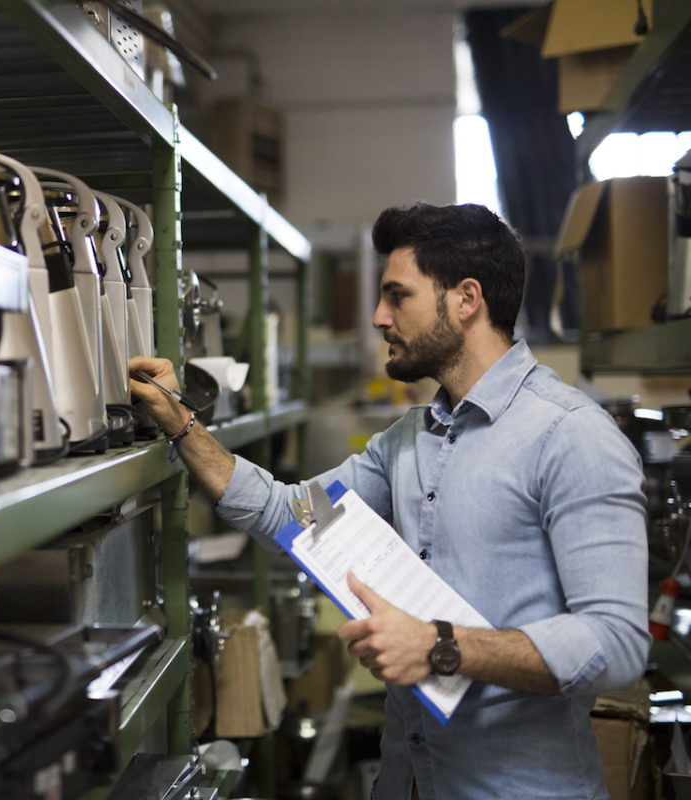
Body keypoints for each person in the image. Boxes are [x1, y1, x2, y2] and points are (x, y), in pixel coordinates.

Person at [129, 202, 650, 800]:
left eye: (397, 296)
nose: (379, 317)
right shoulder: (406, 443)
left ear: (466, 299)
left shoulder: (572, 436)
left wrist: (440, 645)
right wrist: (182, 423)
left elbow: (617, 642)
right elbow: (293, 516)